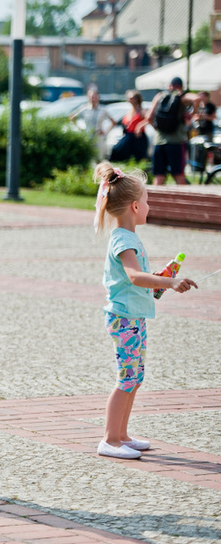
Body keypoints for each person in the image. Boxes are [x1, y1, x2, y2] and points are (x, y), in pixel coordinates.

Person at [92, 162, 196, 459]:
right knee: (126, 378)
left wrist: (162, 280)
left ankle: (122, 435)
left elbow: (140, 282)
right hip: (124, 319)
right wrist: (170, 281)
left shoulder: (129, 237)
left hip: (133, 318)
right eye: (148, 201)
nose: (150, 206)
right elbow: (135, 277)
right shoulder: (123, 240)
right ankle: (110, 440)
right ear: (135, 206)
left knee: (135, 377)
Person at [147, 77, 199, 185]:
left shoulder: (160, 96)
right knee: (179, 175)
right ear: (181, 86)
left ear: (170, 86)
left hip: (159, 142)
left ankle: (154, 202)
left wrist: (157, 129)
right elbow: (197, 99)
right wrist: (193, 113)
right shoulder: (182, 97)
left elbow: (148, 117)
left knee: (159, 176)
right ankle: (186, 201)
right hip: (176, 142)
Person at [70, 87, 116, 162]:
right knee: (88, 157)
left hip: (98, 136)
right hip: (87, 136)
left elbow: (113, 122)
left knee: (99, 158)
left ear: (98, 97)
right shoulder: (84, 108)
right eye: (91, 97)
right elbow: (72, 117)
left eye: (94, 96)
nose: (93, 98)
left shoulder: (102, 109)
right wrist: (80, 129)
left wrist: (105, 132)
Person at [109, 90, 149, 163]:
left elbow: (149, 119)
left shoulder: (141, 111)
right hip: (129, 137)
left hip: (138, 138)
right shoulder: (129, 111)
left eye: (131, 98)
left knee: (139, 158)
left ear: (136, 99)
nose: (129, 100)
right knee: (116, 150)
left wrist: (139, 126)